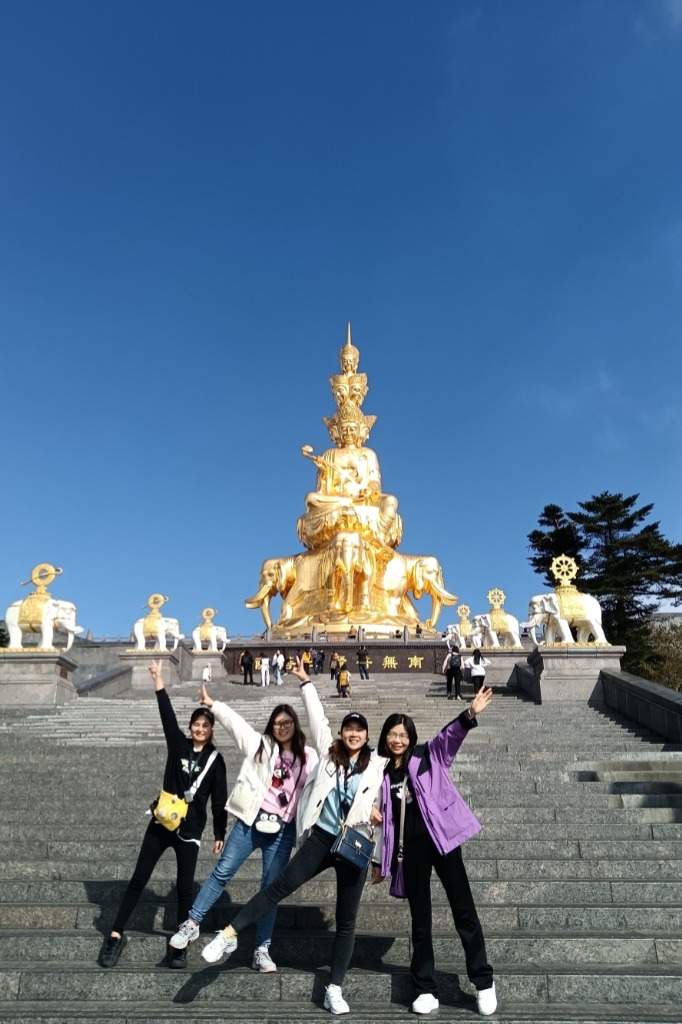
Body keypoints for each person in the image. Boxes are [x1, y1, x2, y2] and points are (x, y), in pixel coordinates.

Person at [199, 658, 386, 1016]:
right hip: (322, 839)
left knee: (347, 920)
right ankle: (228, 936)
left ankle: (334, 988)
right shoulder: (329, 753)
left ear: (366, 736)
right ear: (342, 732)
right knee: (276, 888)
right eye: (349, 729)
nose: (353, 734)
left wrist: (379, 834)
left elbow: (386, 802)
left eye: (359, 730)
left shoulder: (376, 765)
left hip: (354, 846)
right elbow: (318, 720)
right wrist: (305, 682)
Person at [169, 684, 318, 973]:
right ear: (271, 726)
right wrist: (213, 705)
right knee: (222, 872)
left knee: (270, 890)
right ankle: (192, 923)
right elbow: (236, 725)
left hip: (283, 830)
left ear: (295, 724)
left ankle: (261, 950)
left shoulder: (309, 757)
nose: (282, 727)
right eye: (277, 723)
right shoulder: (261, 745)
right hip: (250, 821)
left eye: (287, 722)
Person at [374, 689, 496, 1016]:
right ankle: (425, 988)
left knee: (463, 909)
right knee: (421, 920)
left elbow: (448, 738)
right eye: (392, 734)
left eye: (403, 735)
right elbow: (378, 816)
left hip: (443, 840)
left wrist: (469, 715)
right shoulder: (380, 773)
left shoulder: (428, 755)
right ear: (384, 738)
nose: (397, 740)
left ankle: (483, 981)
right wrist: (378, 857)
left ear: (411, 738)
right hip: (410, 849)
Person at [99, 660, 227, 970]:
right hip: (161, 822)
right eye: (196, 724)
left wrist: (219, 833)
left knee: (185, 889)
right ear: (190, 727)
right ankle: (115, 934)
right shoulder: (178, 745)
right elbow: (166, 714)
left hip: (190, 830)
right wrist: (158, 680)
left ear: (211, 730)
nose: (199, 729)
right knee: (138, 879)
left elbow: (219, 800)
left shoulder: (216, 760)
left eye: (205, 725)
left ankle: (178, 945)